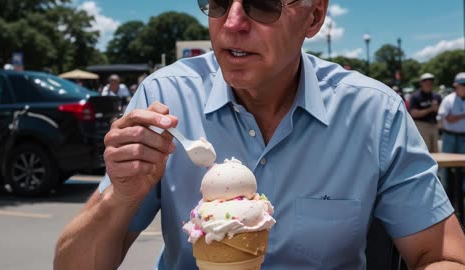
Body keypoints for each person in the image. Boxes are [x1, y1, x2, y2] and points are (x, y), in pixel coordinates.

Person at [54, 0, 465, 269]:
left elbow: (443, 254)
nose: (232, 23)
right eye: (216, 2)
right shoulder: (165, 99)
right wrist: (120, 198)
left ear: (314, 16)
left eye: (263, 4)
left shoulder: (374, 114)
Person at [408, 73, 442, 152]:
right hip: (421, 126)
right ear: (421, 83)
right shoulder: (415, 96)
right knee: (425, 150)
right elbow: (413, 113)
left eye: (430, 81)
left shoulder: (436, 96)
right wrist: (430, 109)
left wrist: (437, 109)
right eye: (425, 81)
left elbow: (441, 111)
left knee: (435, 150)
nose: (428, 83)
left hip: (434, 125)